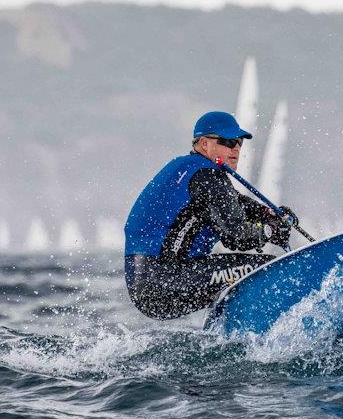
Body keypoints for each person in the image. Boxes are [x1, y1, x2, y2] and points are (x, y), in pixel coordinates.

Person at [124, 111, 298, 319]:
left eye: (239, 142)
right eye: (227, 141)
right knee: (270, 269)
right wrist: (269, 230)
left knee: (242, 276)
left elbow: (237, 206)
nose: (235, 149)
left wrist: (271, 216)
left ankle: (229, 332)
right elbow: (236, 236)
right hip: (165, 278)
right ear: (204, 144)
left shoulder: (195, 173)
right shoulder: (207, 177)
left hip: (151, 284)